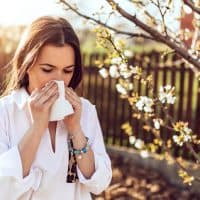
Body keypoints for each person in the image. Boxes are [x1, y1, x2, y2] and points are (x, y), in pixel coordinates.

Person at [0, 16, 112, 200]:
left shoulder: (85, 111)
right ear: (25, 65)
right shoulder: (5, 112)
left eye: (67, 71)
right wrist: (37, 128)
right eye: (47, 69)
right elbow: (3, 190)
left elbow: (100, 183)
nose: (59, 81)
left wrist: (76, 130)